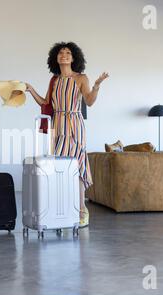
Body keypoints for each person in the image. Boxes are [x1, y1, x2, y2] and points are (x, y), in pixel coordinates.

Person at [26, 42, 109, 228]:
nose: (64, 55)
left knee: (76, 164)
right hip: (58, 124)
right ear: (55, 58)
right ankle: (63, 209)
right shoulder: (54, 80)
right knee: (59, 166)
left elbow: (89, 101)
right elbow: (45, 102)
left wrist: (96, 86)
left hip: (74, 123)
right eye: (61, 53)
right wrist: (31, 90)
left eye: (68, 53)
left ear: (74, 58)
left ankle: (81, 210)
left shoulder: (81, 78)